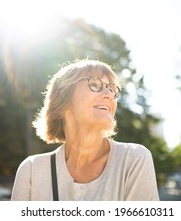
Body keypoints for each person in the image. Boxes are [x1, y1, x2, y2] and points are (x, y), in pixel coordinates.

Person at [11, 59, 159, 201]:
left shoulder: (134, 159)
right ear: (63, 99)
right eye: (95, 84)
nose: (108, 95)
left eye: (111, 89)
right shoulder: (31, 171)